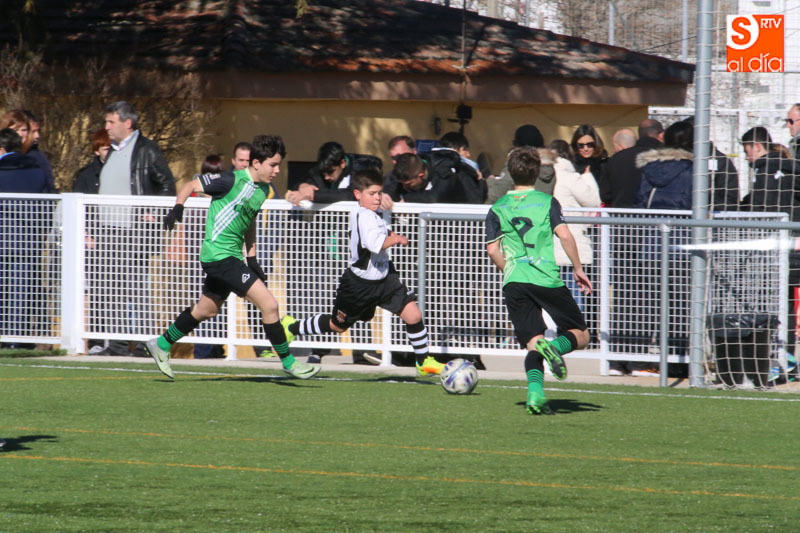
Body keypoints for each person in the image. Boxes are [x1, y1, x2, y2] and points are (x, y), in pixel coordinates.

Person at [145, 134, 320, 380]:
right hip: (218, 256)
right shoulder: (229, 180)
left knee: (206, 310)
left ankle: (161, 344)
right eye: (273, 164)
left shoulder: (263, 191)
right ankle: (290, 363)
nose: (277, 170)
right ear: (256, 163)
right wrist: (178, 207)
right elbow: (191, 185)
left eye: (279, 165)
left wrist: (252, 259)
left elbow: (248, 223)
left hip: (231, 259)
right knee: (270, 305)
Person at [281, 168, 446, 376]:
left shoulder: (372, 215)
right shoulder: (364, 216)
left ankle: (423, 362)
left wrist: (392, 232)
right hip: (359, 286)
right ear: (358, 194)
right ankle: (292, 327)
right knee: (337, 325)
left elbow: (382, 231)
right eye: (372, 193)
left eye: (379, 193)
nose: (377, 198)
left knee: (413, 314)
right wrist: (397, 239)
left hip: (385, 279)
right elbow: (375, 244)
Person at [485, 146, 592, 415]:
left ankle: (535, 394)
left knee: (533, 342)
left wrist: (508, 270)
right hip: (544, 276)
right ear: (538, 172)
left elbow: (492, 249)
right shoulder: (547, 201)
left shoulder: (498, 207)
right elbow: (565, 236)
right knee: (581, 335)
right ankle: (555, 348)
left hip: (515, 280)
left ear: (510, 172)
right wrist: (578, 269)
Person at [95, 101, 177, 356]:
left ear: (127, 123)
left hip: (131, 231)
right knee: (111, 288)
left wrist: (154, 212)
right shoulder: (114, 151)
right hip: (109, 230)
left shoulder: (146, 149)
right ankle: (117, 345)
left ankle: (144, 345)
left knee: (136, 289)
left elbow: (167, 184)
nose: (107, 127)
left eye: (111, 122)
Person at [740, 126, 800, 378]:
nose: (746, 157)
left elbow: (760, 208)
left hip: (776, 249)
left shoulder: (764, 172)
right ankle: (785, 358)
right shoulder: (791, 169)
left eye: (746, 150)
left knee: (773, 302)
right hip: (792, 245)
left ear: (756, 146)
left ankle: (781, 359)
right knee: (785, 301)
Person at [0, 128, 49, 348]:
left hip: (3, 237)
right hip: (27, 241)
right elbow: (48, 201)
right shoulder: (36, 169)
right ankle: (16, 339)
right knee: (21, 290)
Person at [548, 140, 601, 311]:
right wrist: (587, 177)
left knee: (548, 296)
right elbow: (593, 202)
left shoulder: (541, 176)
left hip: (545, 247)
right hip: (570, 246)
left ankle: (548, 336)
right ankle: (571, 336)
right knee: (571, 298)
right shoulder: (570, 177)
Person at [599, 119, 663, 208]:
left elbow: (605, 194)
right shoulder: (666, 158)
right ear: (661, 135)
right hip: (656, 216)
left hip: (621, 216)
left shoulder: (616, 159)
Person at [486, 124, 553, 203]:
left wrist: (490, 181)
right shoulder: (552, 166)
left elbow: (495, 196)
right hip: (545, 212)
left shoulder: (517, 164)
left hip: (521, 212)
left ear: (517, 145)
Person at [426, 131, 487, 204]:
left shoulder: (427, 165)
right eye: (465, 149)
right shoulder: (460, 170)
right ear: (454, 150)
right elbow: (476, 199)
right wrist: (481, 181)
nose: (468, 154)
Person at [22, 110, 56, 193]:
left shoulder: (36, 157)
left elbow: (49, 188)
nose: (37, 136)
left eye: (37, 131)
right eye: (33, 132)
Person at [73, 128, 111, 194]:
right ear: (97, 152)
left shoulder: (126, 170)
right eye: (106, 149)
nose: (110, 152)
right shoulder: (86, 175)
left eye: (112, 148)